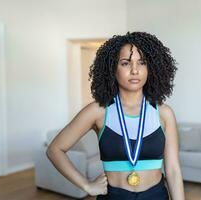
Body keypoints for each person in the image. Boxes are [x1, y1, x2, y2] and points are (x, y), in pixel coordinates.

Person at [46, 31, 185, 200]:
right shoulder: (98, 111)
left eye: (142, 63)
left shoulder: (164, 113)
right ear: (113, 68)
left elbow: (173, 170)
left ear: (151, 68)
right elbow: (55, 150)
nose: (135, 70)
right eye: (126, 63)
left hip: (156, 195)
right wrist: (86, 185)